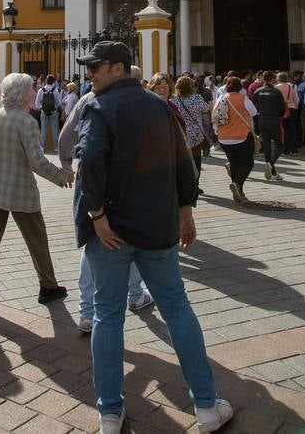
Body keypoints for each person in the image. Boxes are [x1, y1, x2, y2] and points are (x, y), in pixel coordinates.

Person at [73, 42, 232, 434]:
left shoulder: (98, 107)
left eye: (96, 66)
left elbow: (90, 161)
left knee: (107, 314)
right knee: (177, 307)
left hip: (110, 232)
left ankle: (110, 413)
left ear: (118, 69)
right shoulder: (160, 106)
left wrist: (97, 216)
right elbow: (183, 163)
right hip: (157, 226)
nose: (89, 73)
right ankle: (207, 407)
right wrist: (186, 213)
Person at [0, 73, 69, 320]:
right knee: (37, 240)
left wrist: (0, 166)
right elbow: (36, 160)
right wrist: (61, 176)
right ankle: (48, 286)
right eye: (31, 89)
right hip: (22, 191)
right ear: (23, 95)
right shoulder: (26, 121)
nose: (34, 92)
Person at [59, 65, 154, 329]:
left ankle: (89, 311)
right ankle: (132, 296)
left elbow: (66, 135)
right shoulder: (141, 103)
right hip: (124, 188)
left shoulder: (88, 100)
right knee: (126, 241)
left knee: (95, 244)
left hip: (93, 186)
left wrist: (66, 163)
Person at [212, 76, 258, 203]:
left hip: (224, 138)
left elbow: (215, 117)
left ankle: (239, 193)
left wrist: (216, 131)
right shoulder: (243, 98)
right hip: (241, 137)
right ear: (240, 87)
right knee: (248, 164)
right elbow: (254, 112)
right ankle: (237, 184)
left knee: (235, 164)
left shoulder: (220, 99)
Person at [169, 75, 210, 201]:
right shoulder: (197, 98)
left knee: (183, 161)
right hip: (196, 135)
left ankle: (182, 185)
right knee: (196, 161)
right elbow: (206, 109)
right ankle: (195, 186)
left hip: (181, 135)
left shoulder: (174, 100)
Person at [251, 71, 286, 182]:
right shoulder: (276, 92)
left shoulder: (258, 91)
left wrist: (262, 109)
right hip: (273, 120)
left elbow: (254, 103)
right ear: (273, 79)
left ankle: (272, 171)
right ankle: (270, 165)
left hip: (262, 119)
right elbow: (282, 108)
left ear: (263, 79)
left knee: (266, 146)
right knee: (279, 145)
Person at [38, 74, 63, 151]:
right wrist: (54, 107)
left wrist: (42, 108)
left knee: (43, 130)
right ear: (53, 82)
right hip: (53, 112)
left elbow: (37, 103)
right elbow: (59, 103)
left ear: (46, 80)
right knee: (54, 130)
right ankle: (56, 147)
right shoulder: (55, 91)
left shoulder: (41, 90)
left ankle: (42, 147)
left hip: (43, 112)